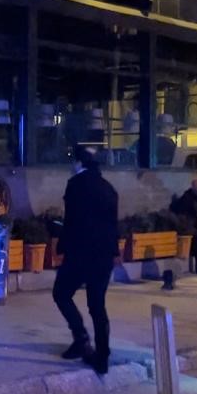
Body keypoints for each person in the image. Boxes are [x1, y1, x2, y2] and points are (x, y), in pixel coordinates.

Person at [52, 145, 119, 375]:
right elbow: (112, 224)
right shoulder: (108, 188)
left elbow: (72, 220)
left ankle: (80, 338)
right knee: (97, 305)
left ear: (79, 163)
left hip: (80, 253)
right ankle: (102, 356)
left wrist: (61, 245)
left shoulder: (76, 185)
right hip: (103, 255)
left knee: (61, 293)